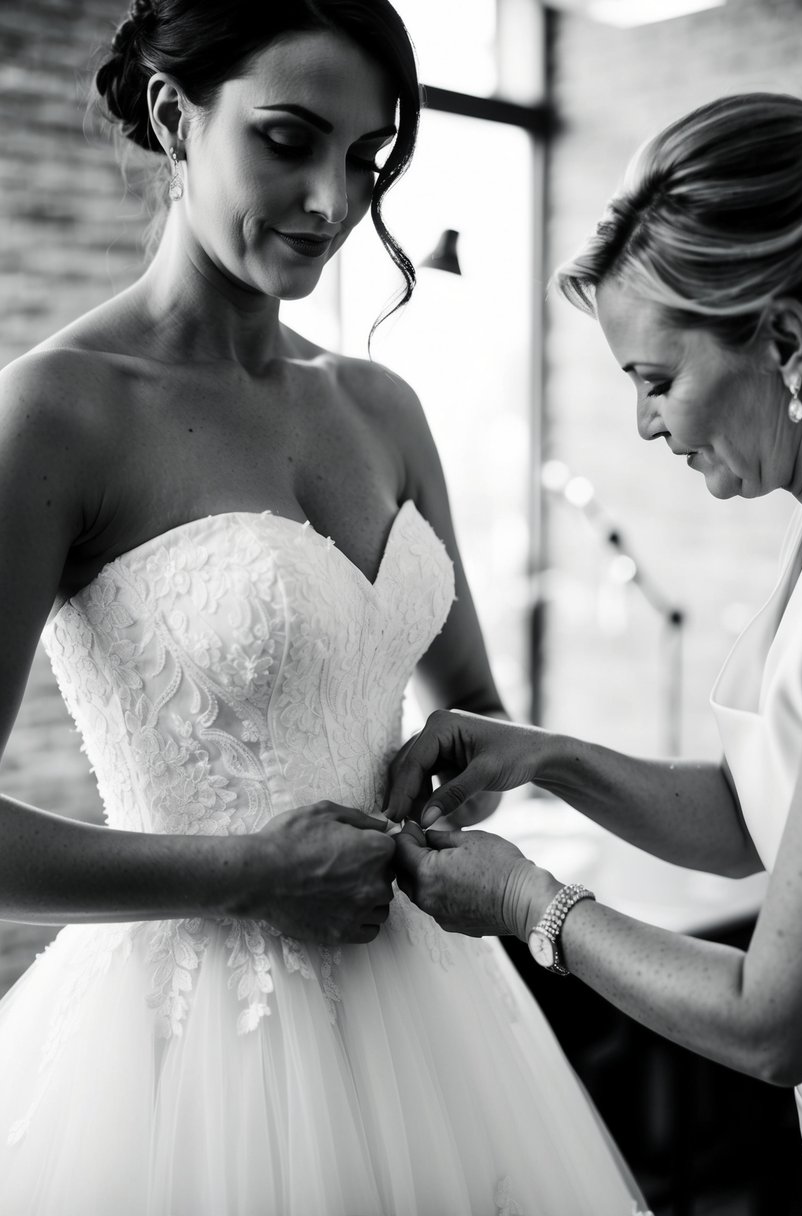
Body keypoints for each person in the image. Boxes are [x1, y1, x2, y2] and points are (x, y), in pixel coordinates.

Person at [0, 2, 650, 1213]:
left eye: (367, 157)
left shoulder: (384, 407)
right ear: (171, 117)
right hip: (188, 1063)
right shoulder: (55, 414)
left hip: (429, 1007)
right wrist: (253, 869)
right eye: (289, 141)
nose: (332, 201)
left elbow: (474, 710)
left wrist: (460, 778)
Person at [387, 88, 802, 1214]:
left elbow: (777, 1022)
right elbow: (756, 819)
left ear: (782, 339)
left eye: (655, 380)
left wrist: (530, 901)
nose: (645, 425)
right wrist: (549, 758)